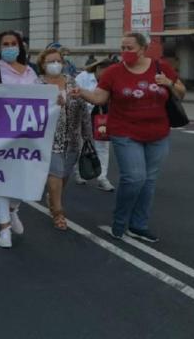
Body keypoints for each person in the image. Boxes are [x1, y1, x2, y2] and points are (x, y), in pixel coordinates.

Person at [74, 32, 185, 243]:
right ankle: (120, 219)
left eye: (130, 48)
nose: (125, 52)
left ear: (143, 49)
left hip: (158, 133)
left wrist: (169, 84)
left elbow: (181, 93)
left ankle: (138, 225)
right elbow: (99, 97)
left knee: (149, 181)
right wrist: (81, 92)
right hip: (125, 132)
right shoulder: (114, 72)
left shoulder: (161, 68)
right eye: (122, 48)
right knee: (134, 178)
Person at [0, 30, 39, 248]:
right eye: (6, 44)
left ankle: (13, 209)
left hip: (26, 136)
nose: (10, 47)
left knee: (22, 178)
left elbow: (41, 100)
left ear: (20, 46)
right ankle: (4, 228)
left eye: (14, 43)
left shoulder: (31, 72)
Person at [38, 48, 92, 231]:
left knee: (64, 176)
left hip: (72, 140)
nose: (55, 65)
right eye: (50, 62)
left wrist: (88, 136)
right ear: (43, 65)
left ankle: (52, 199)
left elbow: (83, 108)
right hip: (49, 141)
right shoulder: (37, 85)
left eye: (58, 61)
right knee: (55, 175)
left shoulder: (71, 82)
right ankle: (58, 213)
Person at [74, 56, 115, 192]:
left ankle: (102, 178)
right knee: (80, 144)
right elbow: (74, 95)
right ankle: (79, 172)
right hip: (82, 115)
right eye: (105, 71)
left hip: (103, 117)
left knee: (103, 146)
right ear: (98, 69)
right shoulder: (83, 77)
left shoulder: (113, 79)